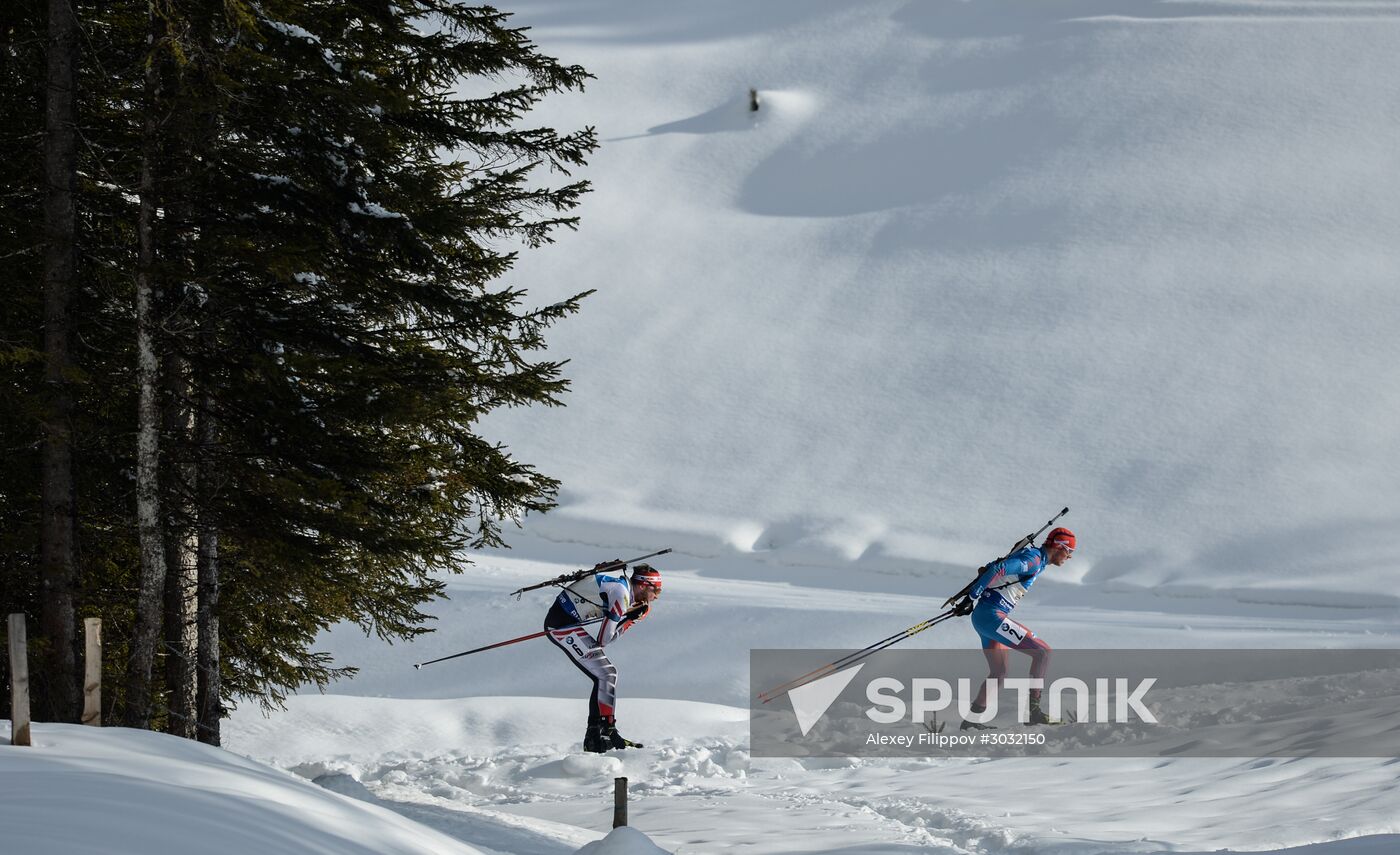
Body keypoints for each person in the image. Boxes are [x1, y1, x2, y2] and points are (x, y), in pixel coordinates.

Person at [952, 527, 1075, 728]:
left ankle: (971, 722)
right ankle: (1033, 713)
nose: (1069, 557)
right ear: (1059, 546)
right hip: (992, 616)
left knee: (999, 672)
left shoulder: (1038, 560)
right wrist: (971, 596)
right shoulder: (1034, 559)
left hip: (985, 617)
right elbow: (997, 569)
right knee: (1043, 653)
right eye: (1069, 551)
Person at [544, 560, 662, 753]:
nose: (656, 597)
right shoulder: (621, 595)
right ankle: (605, 731)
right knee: (607, 674)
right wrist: (630, 622)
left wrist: (628, 616)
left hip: (567, 621)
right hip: (561, 625)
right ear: (642, 585)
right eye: (656, 591)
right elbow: (604, 639)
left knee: (605, 674)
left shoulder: (622, 589)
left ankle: (596, 735)